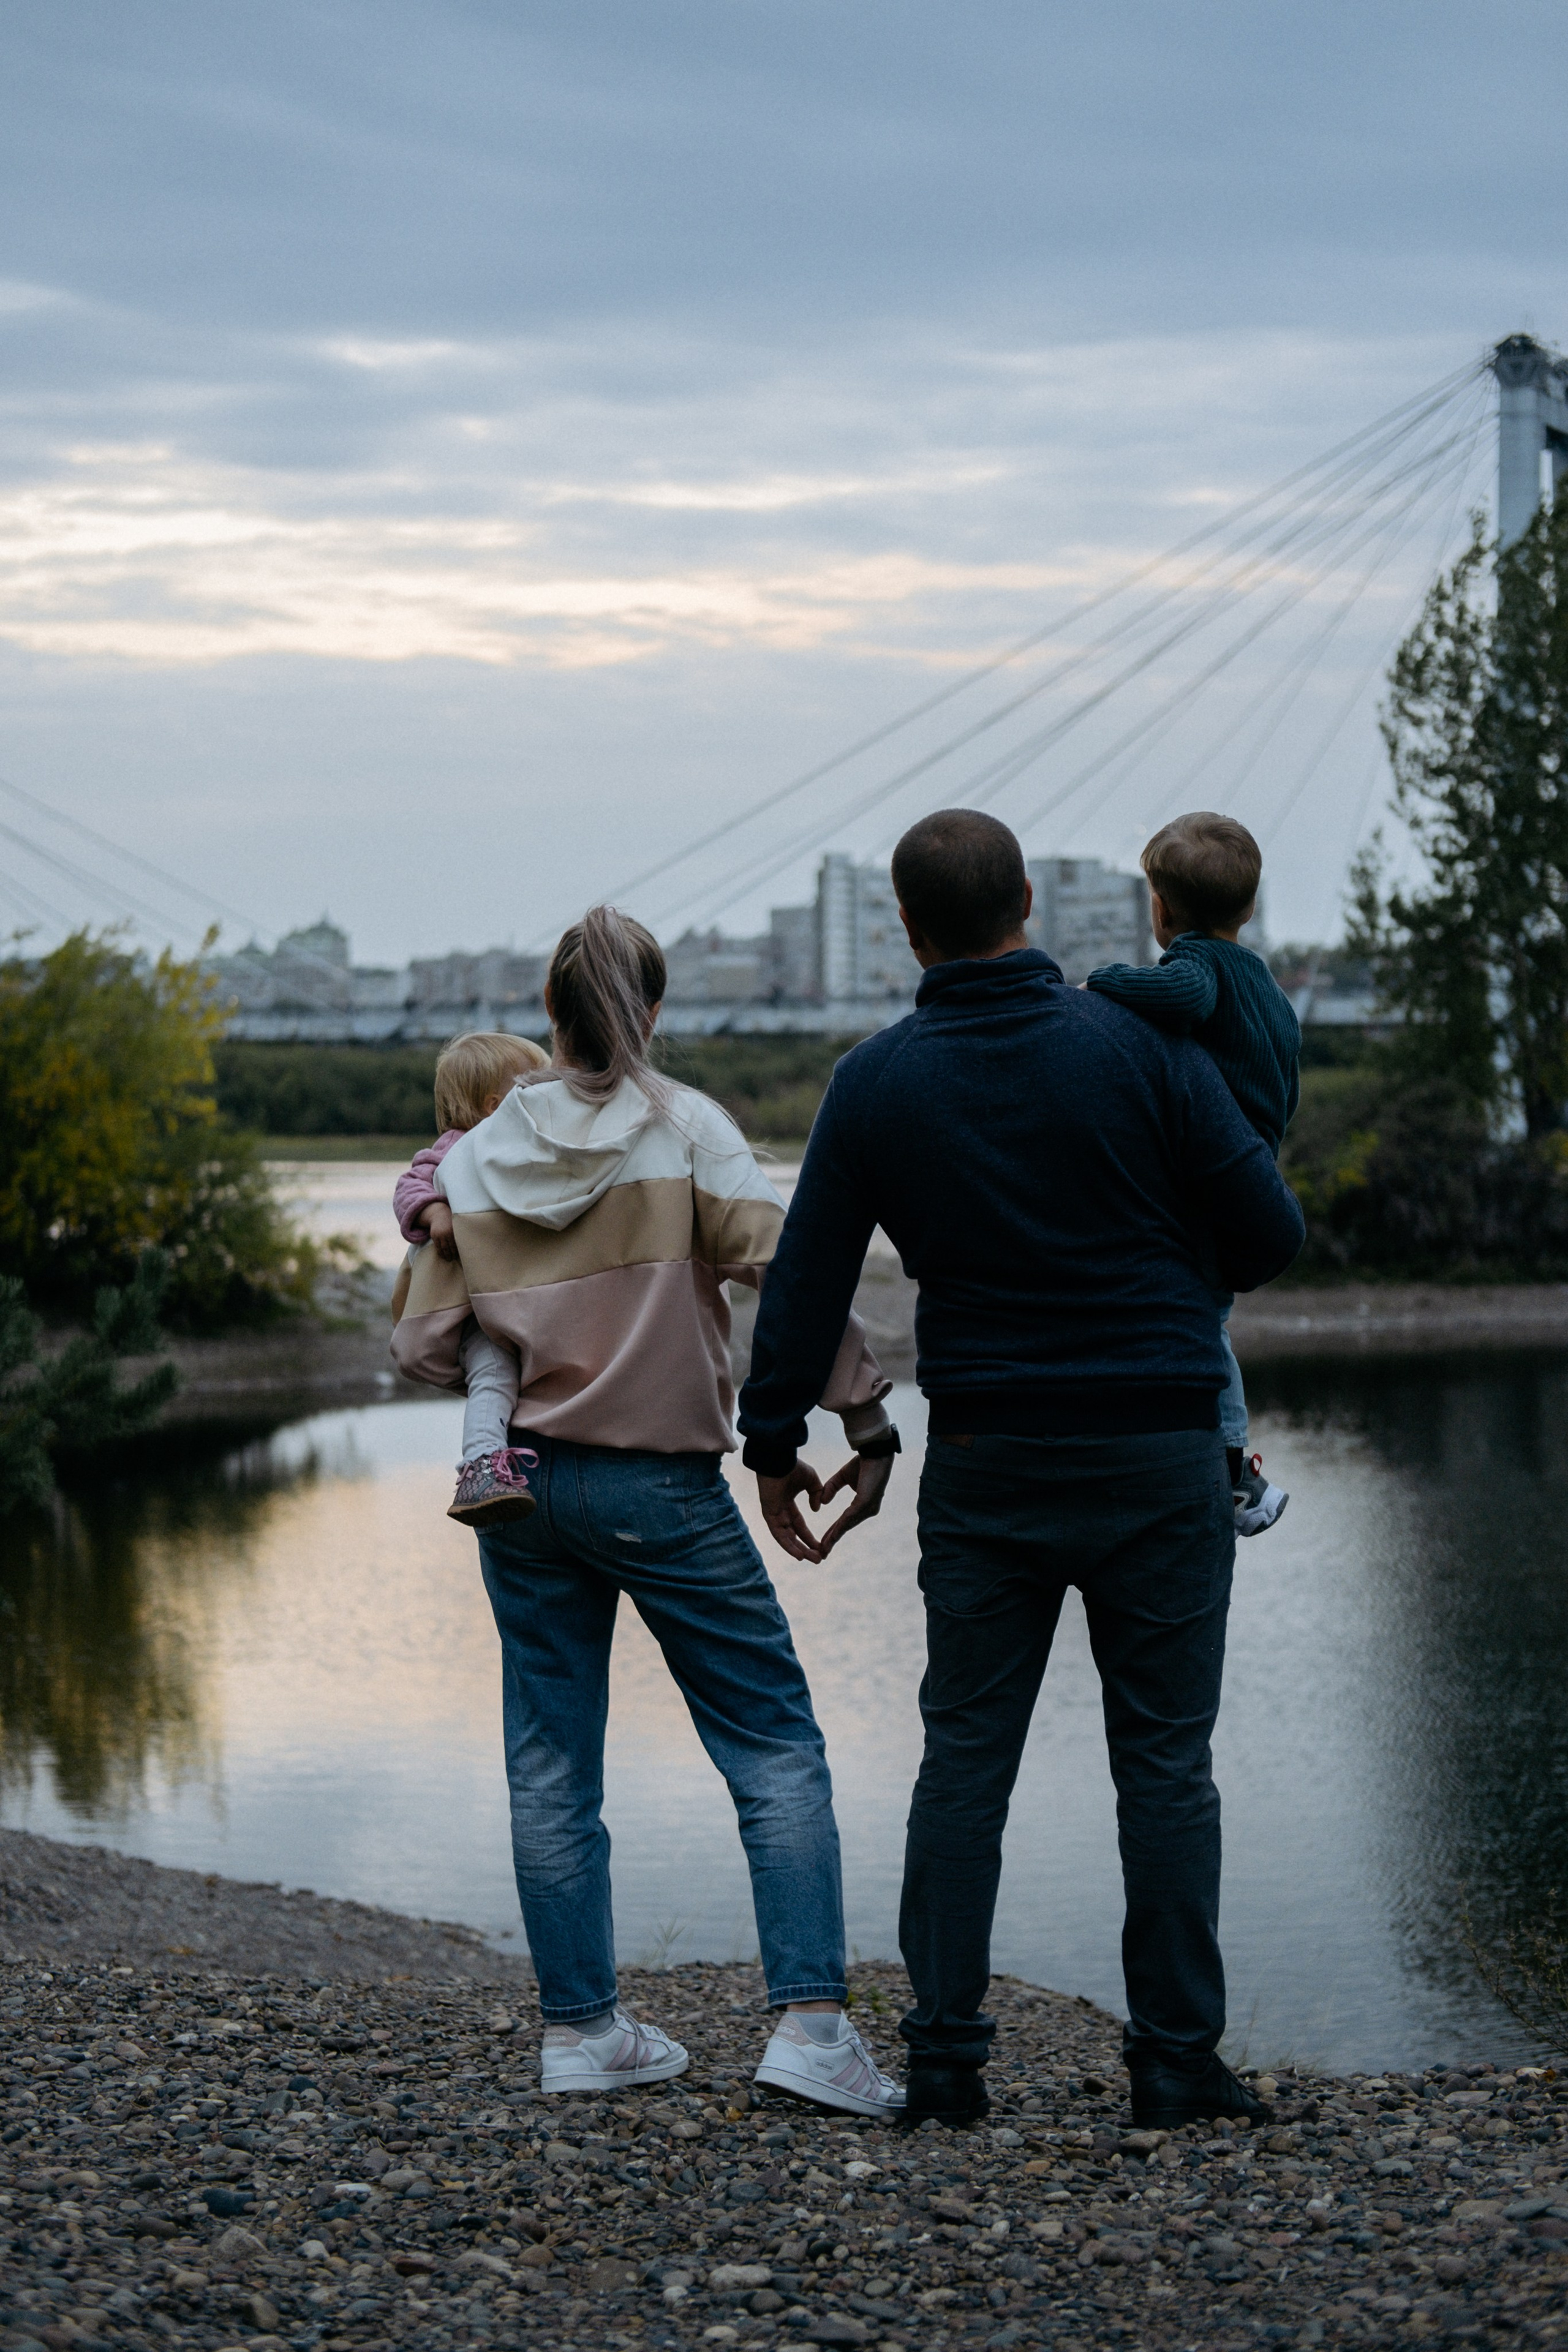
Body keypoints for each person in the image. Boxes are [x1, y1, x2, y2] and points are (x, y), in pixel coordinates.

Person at [737, 810, 1304, 2130]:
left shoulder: (875, 1081)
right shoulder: (1145, 1048)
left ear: (905, 928)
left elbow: (806, 1279)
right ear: (1031, 904)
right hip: (1159, 1451)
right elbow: (1267, 1235)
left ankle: (944, 2063)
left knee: (964, 1760)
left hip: (989, 1462)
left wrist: (774, 1441)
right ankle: (1174, 2062)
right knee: (1165, 1765)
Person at [391, 905, 904, 2112]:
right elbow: (791, 1277)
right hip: (661, 1487)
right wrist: (861, 1413)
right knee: (770, 1741)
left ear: (550, 1013)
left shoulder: (476, 1154)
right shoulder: (687, 1132)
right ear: (654, 1012)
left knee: (550, 1763)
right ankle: (811, 2031)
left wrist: (521, 1328)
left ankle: (581, 2031)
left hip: (521, 1490)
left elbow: (419, 1341)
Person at [1086, 812, 1300, 1538]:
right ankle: (1228, 1460)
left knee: (1204, 1321)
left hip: (1210, 1178)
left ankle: (1235, 1469)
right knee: (1209, 1316)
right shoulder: (1263, 982)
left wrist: (1101, 983)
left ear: (1161, 910)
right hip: (1252, 1163)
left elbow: (1183, 999)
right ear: (1249, 906)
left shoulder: (1197, 963)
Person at [392, 1030, 550, 1528]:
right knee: (495, 1373)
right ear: (495, 1107)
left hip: (511, 1296)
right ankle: (481, 1466)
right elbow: (409, 1185)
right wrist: (434, 1211)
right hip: (476, 1316)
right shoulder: (457, 1148)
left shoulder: (533, 1146)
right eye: (537, 1089)